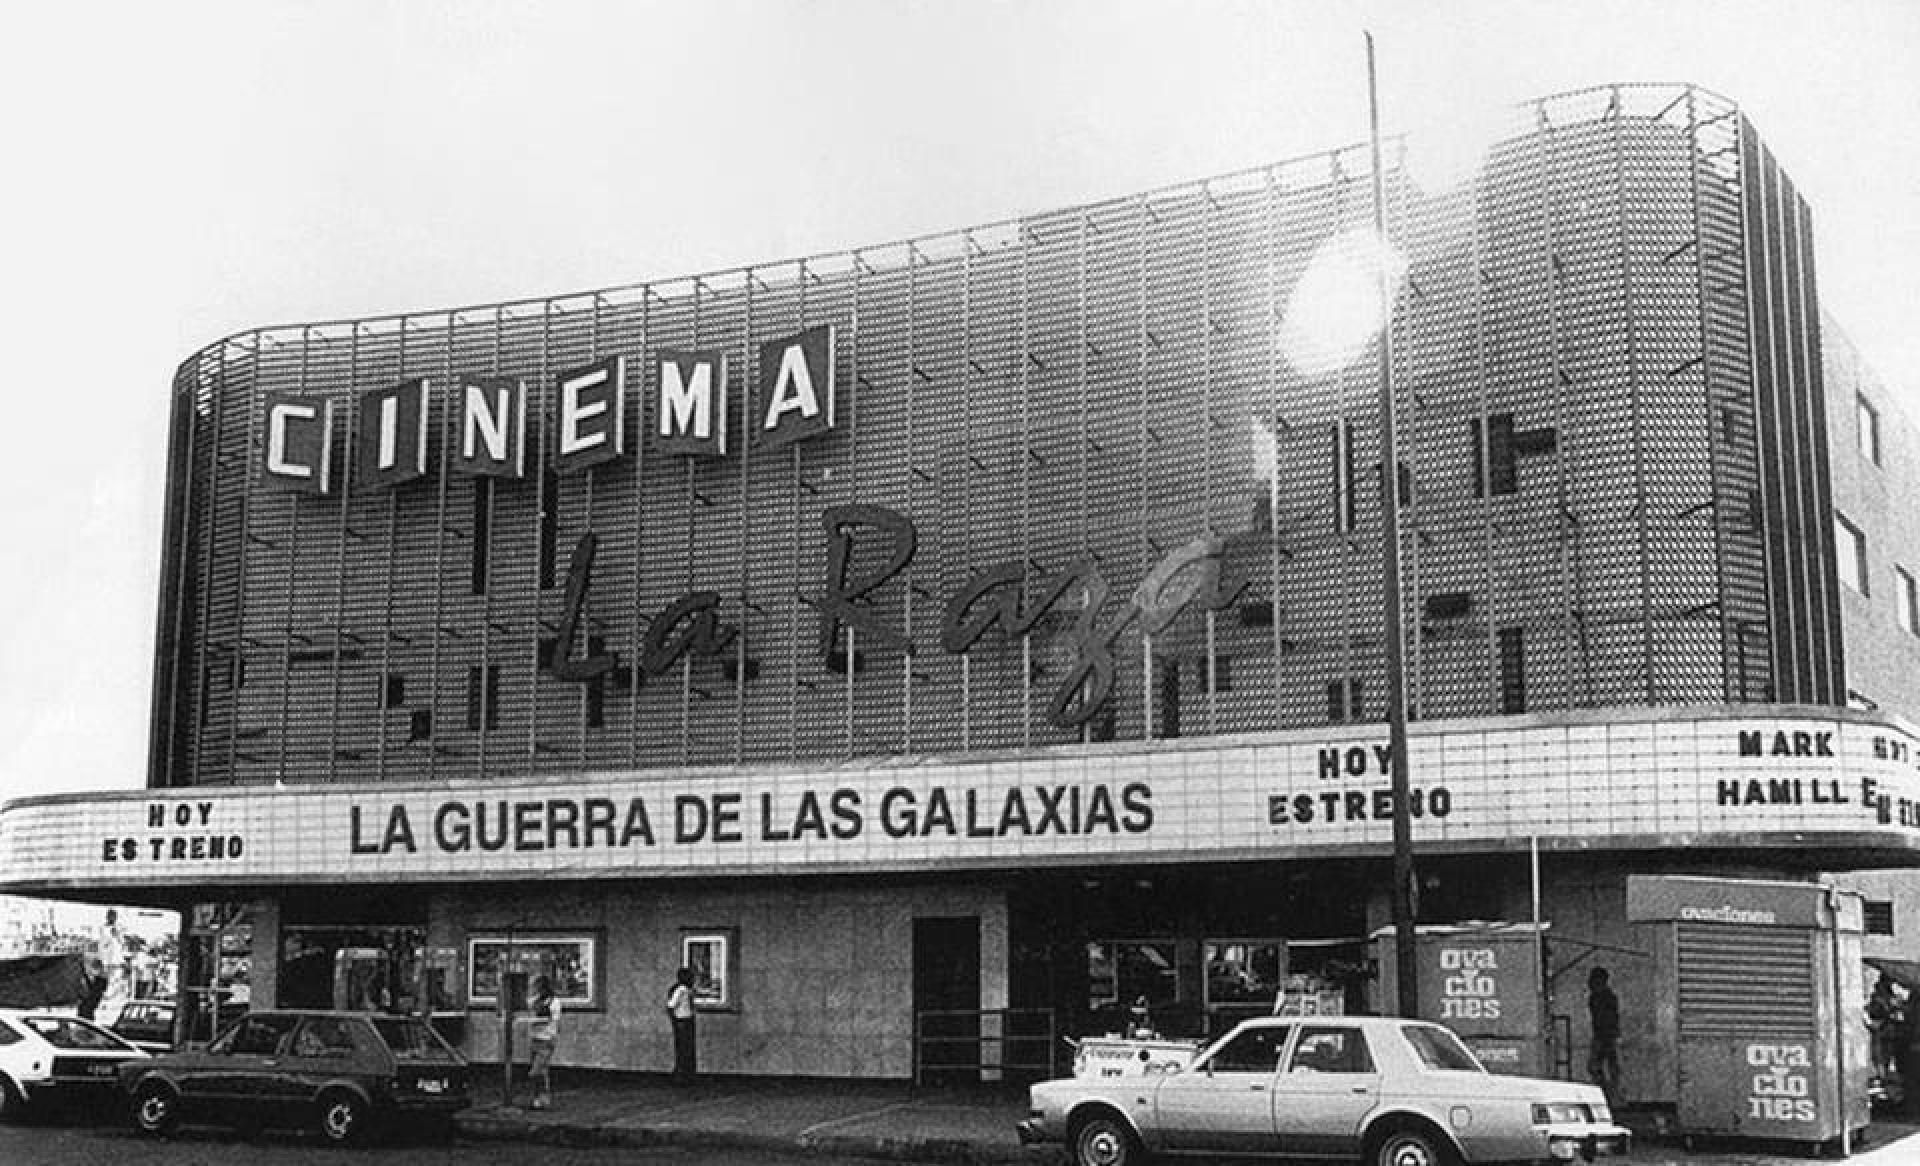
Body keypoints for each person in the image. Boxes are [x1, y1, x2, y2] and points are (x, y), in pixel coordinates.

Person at [527, 975, 561, 1109]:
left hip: (546, 1039)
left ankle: (542, 1097)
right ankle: (539, 1099)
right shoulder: (535, 1001)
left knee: (535, 1071)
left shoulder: (554, 1002)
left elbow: (554, 1020)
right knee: (543, 1071)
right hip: (535, 1038)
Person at [1587, 966, 1621, 1095]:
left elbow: (1606, 1017)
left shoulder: (1600, 997)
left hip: (1603, 1035)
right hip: (1606, 1035)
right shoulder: (1606, 997)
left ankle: (1605, 1090)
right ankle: (1609, 1091)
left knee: (1595, 1065)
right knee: (1608, 1065)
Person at [666, 966, 697, 1083]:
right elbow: (671, 1005)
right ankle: (683, 1074)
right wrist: (674, 1019)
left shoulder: (686, 990)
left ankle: (685, 1073)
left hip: (685, 1020)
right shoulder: (681, 990)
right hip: (683, 1020)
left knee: (684, 1048)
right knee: (685, 1048)